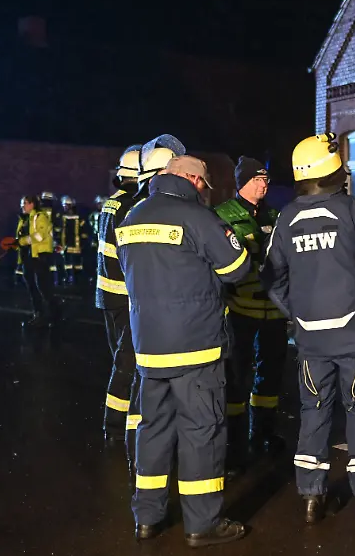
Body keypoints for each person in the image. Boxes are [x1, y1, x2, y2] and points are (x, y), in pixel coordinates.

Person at [262, 133, 355, 524]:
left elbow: (271, 278)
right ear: (335, 171)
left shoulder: (287, 218)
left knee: (313, 412)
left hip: (310, 340)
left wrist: (298, 311)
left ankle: (311, 497)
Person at [117, 150, 251, 546]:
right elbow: (237, 268)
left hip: (149, 348)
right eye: (204, 187)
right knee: (201, 433)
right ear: (195, 181)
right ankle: (203, 523)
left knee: (153, 430)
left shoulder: (133, 217)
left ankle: (148, 518)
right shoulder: (197, 218)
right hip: (195, 348)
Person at [214, 157, 286, 467]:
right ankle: (234, 440)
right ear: (241, 182)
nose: (263, 184)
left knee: (271, 376)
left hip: (274, 312)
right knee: (237, 375)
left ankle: (263, 433)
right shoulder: (223, 216)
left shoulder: (275, 214)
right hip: (240, 311)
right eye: (257, 180)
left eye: (266, 180)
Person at [96, 144, 148, 448]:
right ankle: (118, 429)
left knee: (122, 362)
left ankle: (118, 427)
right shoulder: (132, 205)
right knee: (127, 365)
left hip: (108, 295)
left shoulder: (112, 202)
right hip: (127, 297)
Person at [18, 194, 56, 329]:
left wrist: (21, 241)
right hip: (28, 257)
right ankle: (39, 314)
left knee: (43, 287)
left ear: (32, 204)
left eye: (25, 203)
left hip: (40, 257)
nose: (22, 206)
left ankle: (53, 315)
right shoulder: (24, 219)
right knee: (32, 287)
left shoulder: (40, 217)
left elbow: (39, 236)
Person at [60, 196, 88, 286]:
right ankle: (69, 279)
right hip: (66, 246)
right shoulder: (62, 217)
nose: (65, 207)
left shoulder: (79, 218)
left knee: (77, 264)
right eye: (64, 205)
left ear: (71, 206)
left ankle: (77, 280)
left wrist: (83, 243)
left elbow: (84, 231)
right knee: (67, 264)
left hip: (77, 246)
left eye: (67, 205)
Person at [40, 191, 64, 284]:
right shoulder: (55, 211)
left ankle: (43, 281)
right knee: (52, 262)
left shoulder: (38, 211)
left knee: (42, 262)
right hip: (51, 241)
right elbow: (58, 227)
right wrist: (57, 241)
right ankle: (54, 281)